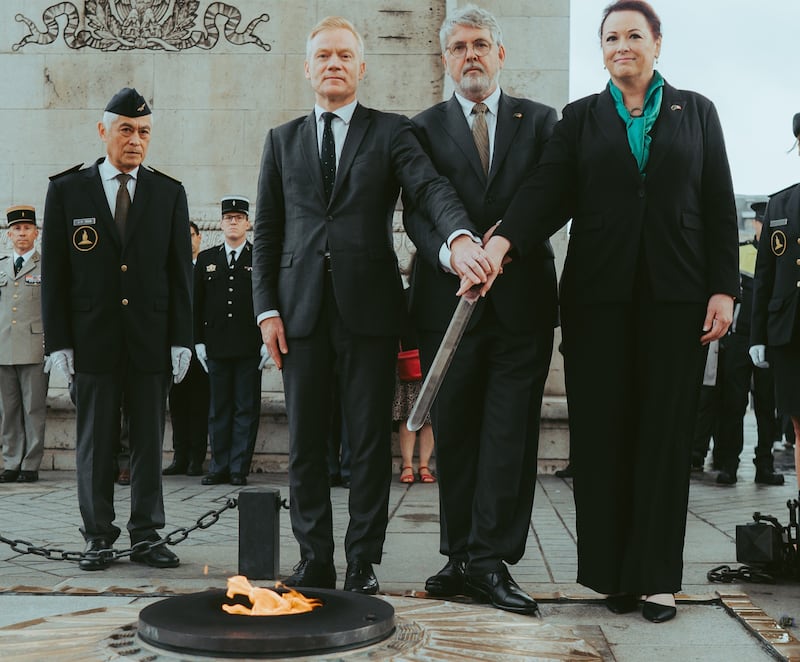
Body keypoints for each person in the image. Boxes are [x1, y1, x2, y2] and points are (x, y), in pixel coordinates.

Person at [477, 0, 738, 623]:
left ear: (656, 43)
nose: (622, 45)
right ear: (601, 49)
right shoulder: (581, 117)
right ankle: (611, 575)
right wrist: (502, 241)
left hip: (676, 301)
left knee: (664, 436)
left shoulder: (697, 111)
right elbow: (546, 192)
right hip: (598, 301)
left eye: (633, 35)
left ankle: (656, 579)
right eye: (611, 37)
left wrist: (723, 288)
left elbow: (719, 204)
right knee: (603, 436)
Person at [252, 16, 489, 595]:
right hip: (300, 313)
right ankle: (315, 560)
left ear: (362, 67)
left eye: (344, 56)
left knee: (366, 443)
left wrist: (459, 238)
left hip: (371, 314)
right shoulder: (281, 141)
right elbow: (267, 232)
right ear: (308, 69)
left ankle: (361, 561)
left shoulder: (390, 132)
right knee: (305, 442)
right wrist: (266, 311)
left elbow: (429, 188)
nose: (334, 64)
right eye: (323, 56)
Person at [402, 4, 557, 615]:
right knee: (459, 434)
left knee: (507, 437)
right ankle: (459, 556)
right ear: (446, 58)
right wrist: (455, 250)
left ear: (500, 54)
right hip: (448, 306)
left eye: (481, 44)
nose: (471, 54)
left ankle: (492, 561)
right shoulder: (422, 127)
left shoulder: (542, 122)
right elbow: (420, 205)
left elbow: (550, 193)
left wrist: (503, 243)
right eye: (460, 46)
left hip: (521, 304)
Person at [41, 87, 193, 571]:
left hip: (149, 339)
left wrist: (181, 338)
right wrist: (59, 340)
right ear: (103, 130)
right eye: (125, 129)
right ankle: (98, 536)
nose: (135, 140)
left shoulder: (168, 192)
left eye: (144, 132)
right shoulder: (67, 190)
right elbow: (57, 274)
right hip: (93, 339)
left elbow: (179, 274)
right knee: (95, 442)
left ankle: (147, 535)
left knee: (150, 440)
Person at [195, 196, 265, 487]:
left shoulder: (258, 258)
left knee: (245, 408)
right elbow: (196, 304)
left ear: (248, 223)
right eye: (228, 218)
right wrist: (197, 341)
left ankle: (239, 467)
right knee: (219, 408)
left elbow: (268, 298)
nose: (233, 222)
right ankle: (219, 465)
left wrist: (266, 341)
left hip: (249, 345)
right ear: (221, 223)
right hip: (217, 346)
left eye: (239, 217)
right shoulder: (208, 259)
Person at [715, 202, 783, 485]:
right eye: (758, 221)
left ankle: (764, 465)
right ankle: (729, 463)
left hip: (768, 339)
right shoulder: (740, 251)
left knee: (768, 405)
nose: (761, 226)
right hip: (740, 337)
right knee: (733, 403)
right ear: (754, 225)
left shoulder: (781, 256)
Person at [750, 112, 800, 500]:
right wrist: (758, 336)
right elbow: (765, 277)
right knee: (798, 425)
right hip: (790, 333)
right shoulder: (781, 204)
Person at [0, 206, 49, 483]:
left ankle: (30, 463)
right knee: (7, 410)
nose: (22, 233)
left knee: (33, 408)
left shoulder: (47, 266)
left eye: (27, 228)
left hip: (33, 346)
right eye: (16, 229)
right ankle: (11, 461)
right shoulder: (2, 266)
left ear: (35, 233)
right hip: (3, 346)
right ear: (9, 234)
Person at [164, 221, 210, 477]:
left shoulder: (204, 267)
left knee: (199, 405)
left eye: (191, 235)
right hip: (175, 348)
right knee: (177, 405)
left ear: (199, 238)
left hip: (199, 347)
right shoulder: (171, 269)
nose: (187, 240)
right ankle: (179, 456)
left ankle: (196, 458)